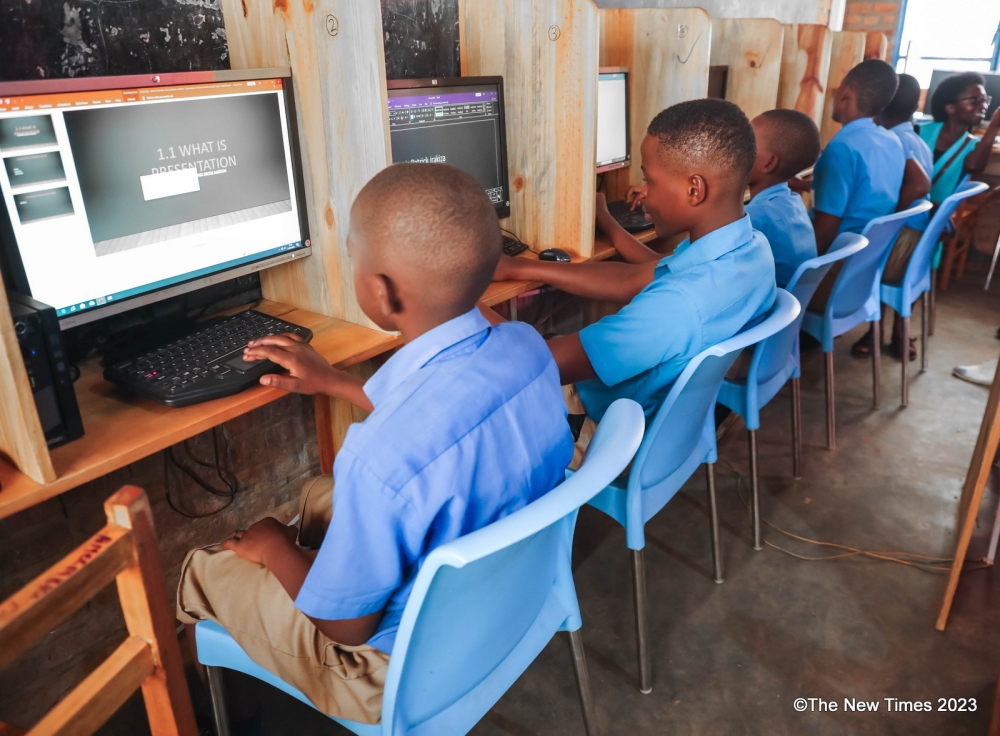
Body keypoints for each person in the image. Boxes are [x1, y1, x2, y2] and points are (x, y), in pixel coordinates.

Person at [175, 163, 575, 727]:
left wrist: (270, 548)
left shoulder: (376, 456)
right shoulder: (528, 347)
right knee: (321, 496)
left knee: (207, 567)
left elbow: (347, 629)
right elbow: (439, 425)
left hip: (400, 669)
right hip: (512, 605)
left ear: (381, 292)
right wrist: (335, 381)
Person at [493, 98, 776, 457]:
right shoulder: (750, 249)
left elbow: (537, 365)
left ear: (695, 190)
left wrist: (458, 296)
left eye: (649, 180)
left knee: (494, 385)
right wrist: (521, 268)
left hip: (610, 437)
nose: (644, 194)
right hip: (673, 431)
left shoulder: (677, 305)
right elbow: (632, 279)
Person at [853, 73, 935, 359]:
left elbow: (919, 184)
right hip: (917, 239)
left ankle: (831, 321)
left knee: (842, 241)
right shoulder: (916, 138)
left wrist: (887, 220)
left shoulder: (895, 139)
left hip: (903, 238)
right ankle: (883, 330)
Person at [811, 59, 908, 255]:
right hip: (868, 256)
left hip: (837, 259)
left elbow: (823, 235)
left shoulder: (842, 147)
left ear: (847, 91)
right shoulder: (893, 141)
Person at [744, 109, 820, 288]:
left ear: (769, 163)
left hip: (768, 313)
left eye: (746, 143)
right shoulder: (793, 202)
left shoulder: (753, 217)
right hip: (790, 311)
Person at [919, 71, 1000, 204]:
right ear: (951, 108)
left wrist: (994, 126)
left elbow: (973, 166)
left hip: (930, 216)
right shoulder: (919, 130)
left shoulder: (974, 145)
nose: (983, 106)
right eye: (974, 101)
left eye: (985, 100)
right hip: (901, 210)